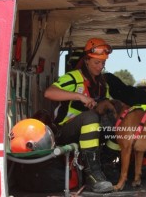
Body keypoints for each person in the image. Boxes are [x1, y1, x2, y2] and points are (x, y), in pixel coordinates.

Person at [44, 38, 114, 193]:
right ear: (87, 60)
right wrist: (79, 96)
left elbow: (106, 105)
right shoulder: (73, 77)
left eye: (103, 63)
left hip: (90, 131)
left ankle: (104, 166)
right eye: (96, 62)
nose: (100, 66)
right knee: (90, 117)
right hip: (65, 131)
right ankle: (93, 177)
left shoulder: (103, 84)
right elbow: (49, 93)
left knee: (117, 126)